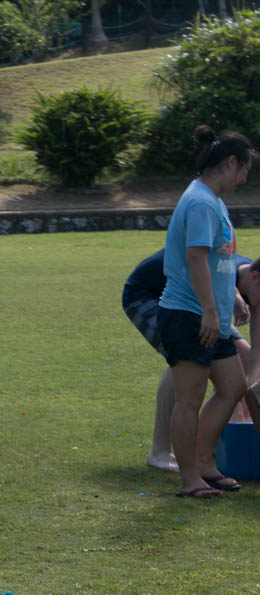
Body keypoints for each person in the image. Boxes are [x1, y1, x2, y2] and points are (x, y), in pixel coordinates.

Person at [157, 125, 256, 498]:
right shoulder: (199, 201)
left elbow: (217, 258)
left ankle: (203, 462)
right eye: (244, 170)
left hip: (211, 314)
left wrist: (231, 295)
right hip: (189, 315)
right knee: (189, 399)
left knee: (233, 387)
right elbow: (195, 259)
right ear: (230, 162)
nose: (244, 179)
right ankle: (189, 480)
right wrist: (211, 312)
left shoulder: (213, 200)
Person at [123, 248, 260, 472]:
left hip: (200, 307)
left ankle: (213, 440)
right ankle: (160, 451)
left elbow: (257, 351)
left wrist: (255, 399)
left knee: (239, 357)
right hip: (149, 295)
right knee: (186, 361)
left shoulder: (252, 287)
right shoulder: (224, 272)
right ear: (254, 277)